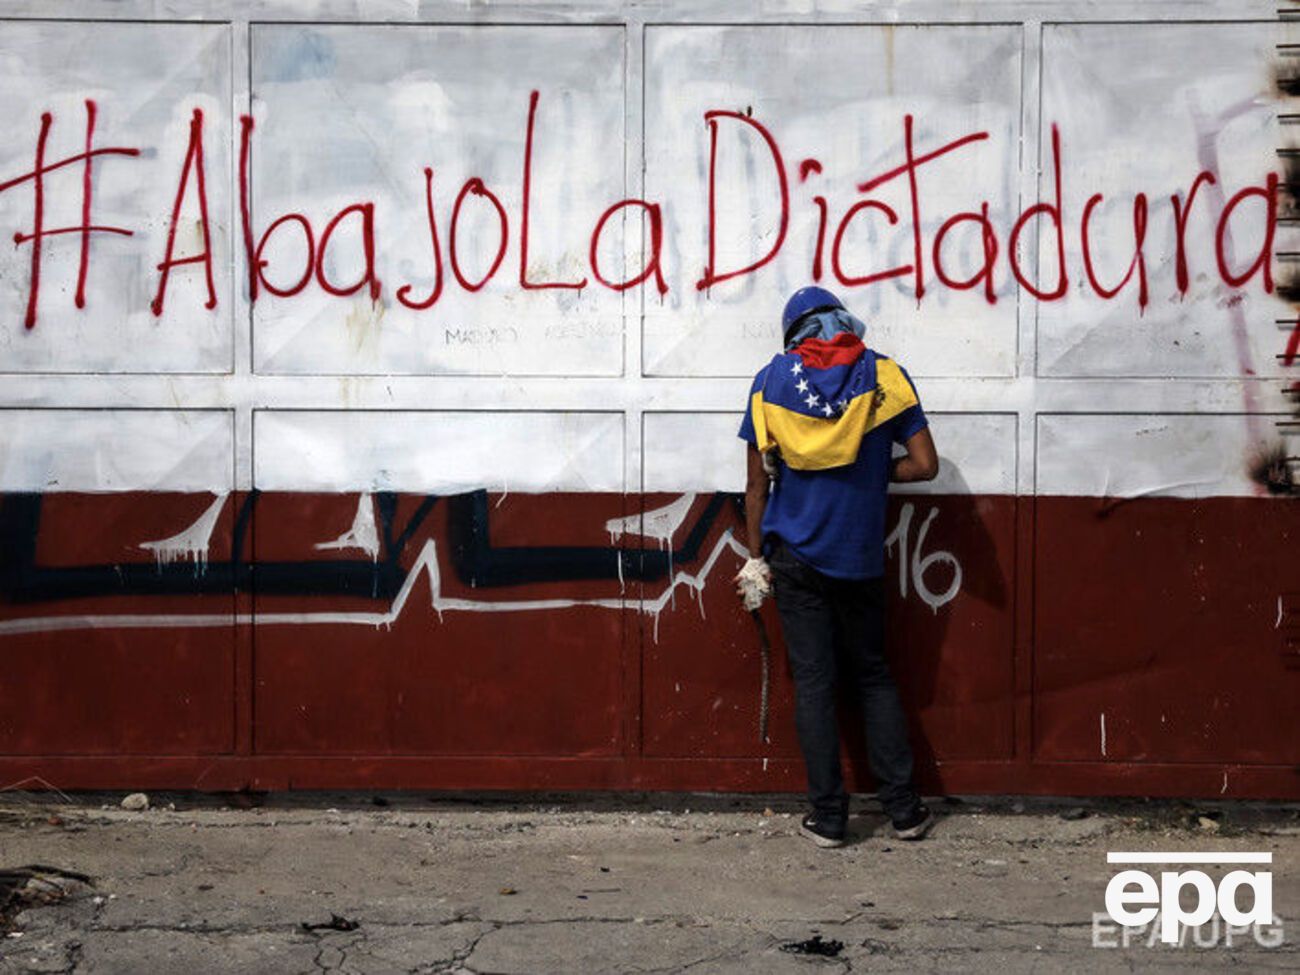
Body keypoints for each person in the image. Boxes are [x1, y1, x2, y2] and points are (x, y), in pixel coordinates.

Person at [734, 285, 938, 849]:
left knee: (816, 685)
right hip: (859, 557)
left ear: (793, 332)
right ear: (843, 321)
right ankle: (904, 812)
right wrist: (871, 474)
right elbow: (924, 464)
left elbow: (756, 486)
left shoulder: (771, 381)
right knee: (872, 676)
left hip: (794, 559)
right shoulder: (885, 376)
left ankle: (828, 818)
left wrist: (756, 559)